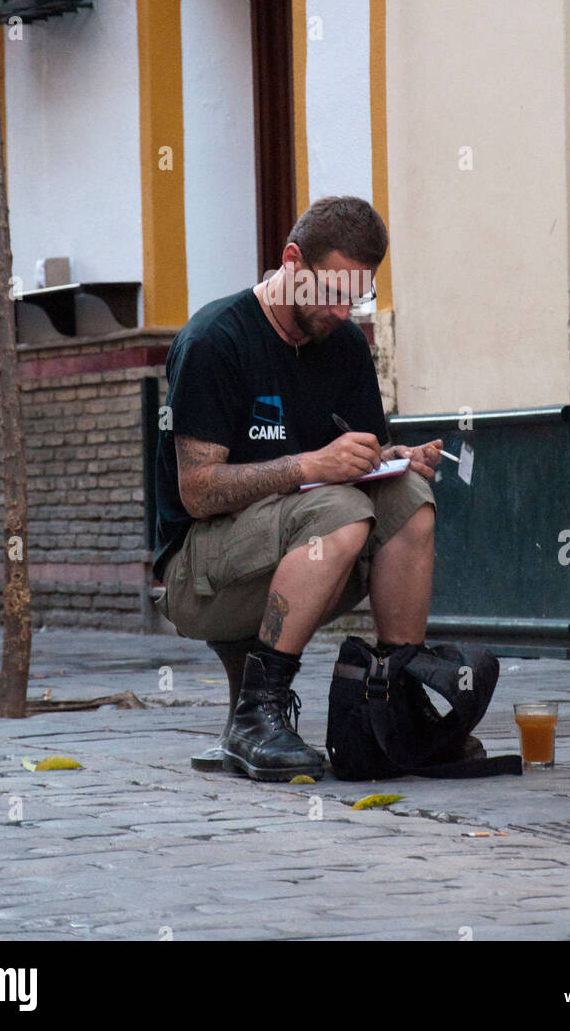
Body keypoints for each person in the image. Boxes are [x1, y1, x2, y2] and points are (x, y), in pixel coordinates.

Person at [153, 195, 443, 779]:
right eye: (333, 293)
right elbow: (197, 491)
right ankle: (256, 715)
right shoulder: (216, 339)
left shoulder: (346, 347)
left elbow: (354, 463)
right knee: (337, 509)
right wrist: (312, 466)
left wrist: (393, 458)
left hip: (301, 545)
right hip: (200, 573)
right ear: (291, 261)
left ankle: (394, 700)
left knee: (410, 499)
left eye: (357, 297)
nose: (343, 312)